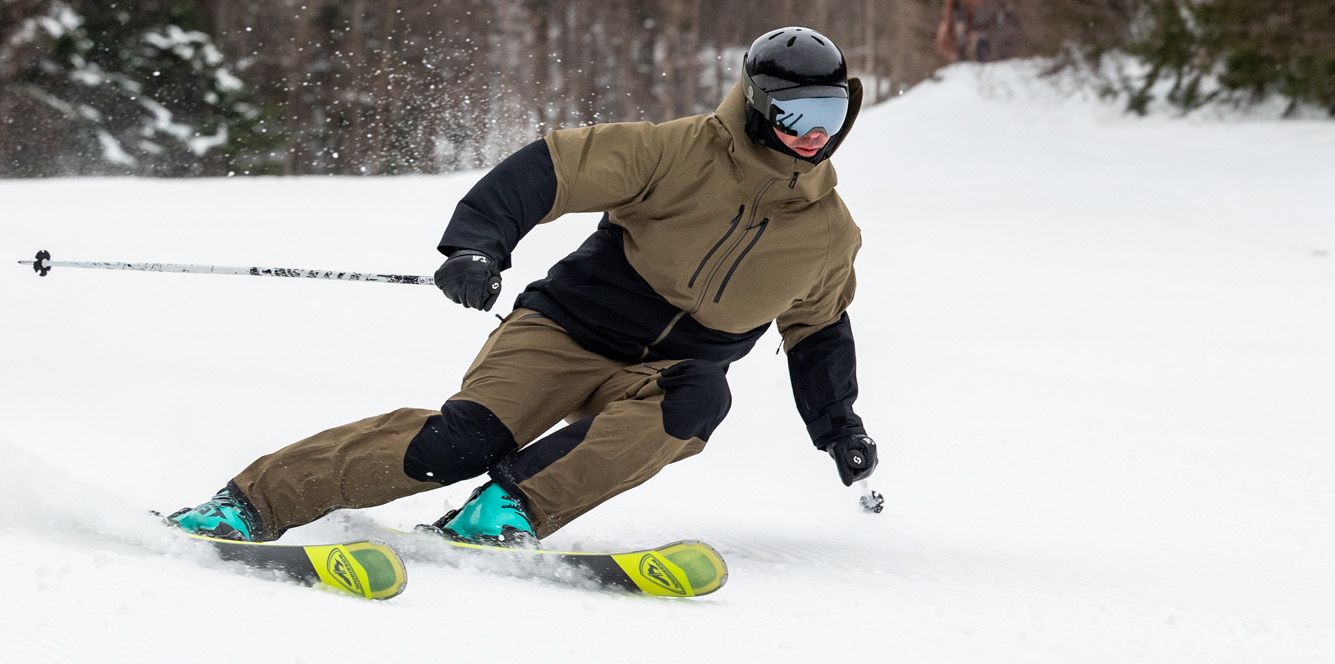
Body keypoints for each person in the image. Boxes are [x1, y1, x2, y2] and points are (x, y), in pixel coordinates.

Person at [168, 26, 879, 547]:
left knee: (699, 400)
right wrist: (478, 245)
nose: (812, 133)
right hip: (564, 333)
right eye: (794, 113)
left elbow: (818, 332)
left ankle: (506, 510)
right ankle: (251, 503)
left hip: (667, 372)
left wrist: (837, 428)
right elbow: (549, 170)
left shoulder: (825, 232)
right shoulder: (674, 151)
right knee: (457, 445)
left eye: (828, 113)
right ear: (754, 103)